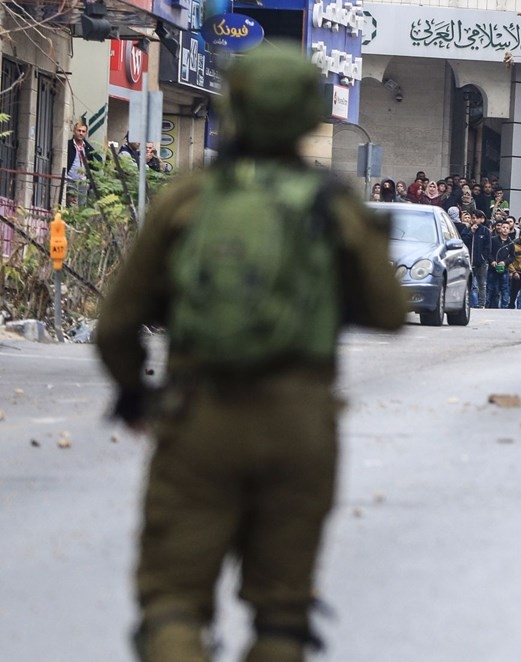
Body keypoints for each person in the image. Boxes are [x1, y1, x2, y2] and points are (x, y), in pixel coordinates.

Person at [94, 44, 407, 662]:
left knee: (174, 603)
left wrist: (136, 391)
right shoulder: (332, 204)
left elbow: (117, 323)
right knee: (283, 616)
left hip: (200, 414)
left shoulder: (189, 199)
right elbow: (390, 313)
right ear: (306, 115)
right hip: (300, 422)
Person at [66, 120, 99, 206]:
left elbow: (92, 164)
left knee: (82, 206)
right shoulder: (68, 145)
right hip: (70, 180)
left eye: (83, 131)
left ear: (86, 133)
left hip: (83, 182)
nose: (81, 133)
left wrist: (89, 178)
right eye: (79, 130)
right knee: (71, 205)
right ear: (74, 131)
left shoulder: (87, 148)